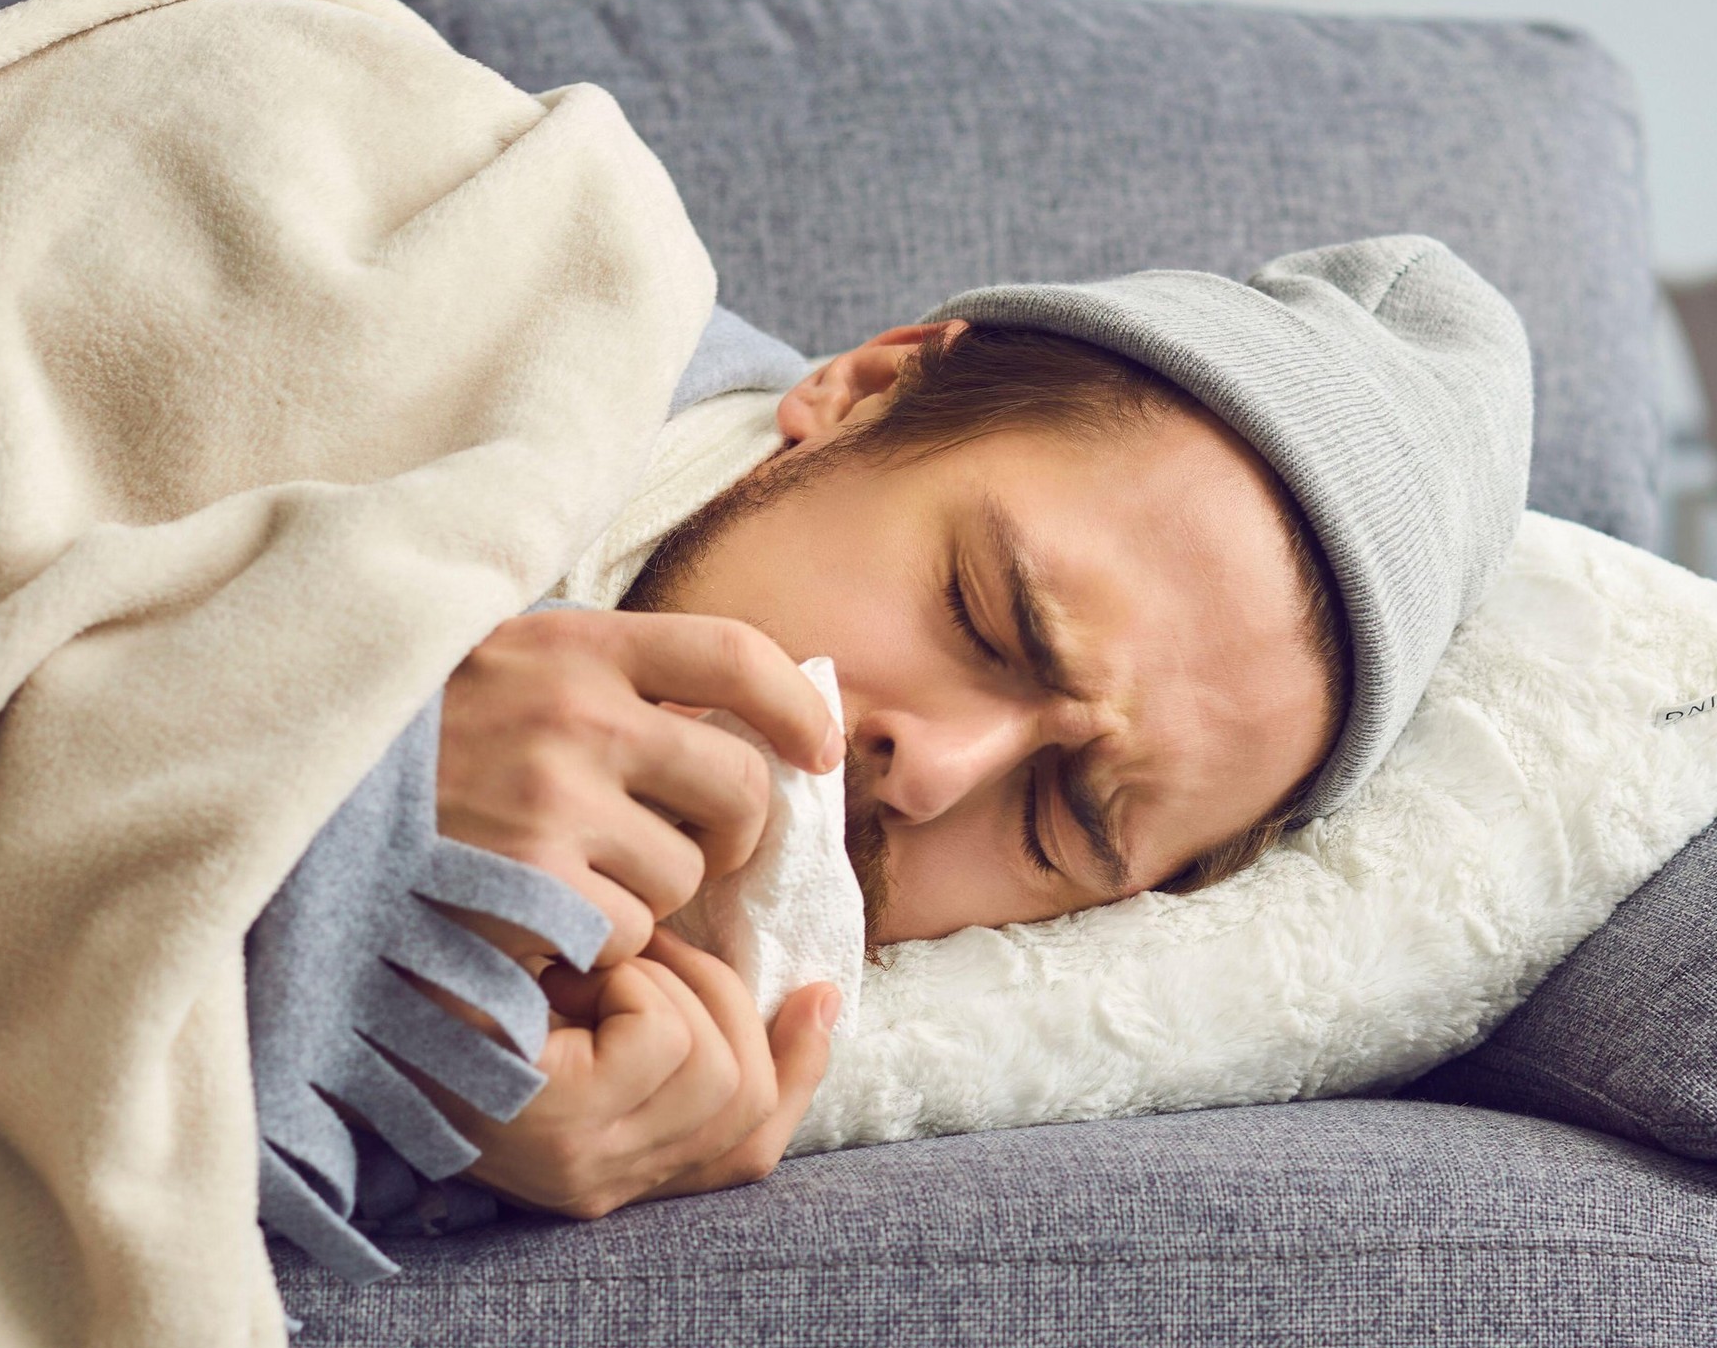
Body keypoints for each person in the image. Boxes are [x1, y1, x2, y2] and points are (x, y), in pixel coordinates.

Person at [248, 236, 1534, 1283]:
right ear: (864, 393)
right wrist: (343, 787)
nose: (934, 775)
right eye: (987, 616)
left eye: (1060, 823)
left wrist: (420, 1108)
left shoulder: (652, 1070)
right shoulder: (422, 238)